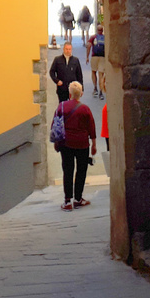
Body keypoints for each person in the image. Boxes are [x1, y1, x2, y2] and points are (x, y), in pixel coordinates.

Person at [54, 81, 96, 210]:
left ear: (70, 93)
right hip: (82, 144)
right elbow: (92, 128)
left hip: (66, 143)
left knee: (68, 170)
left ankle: (67, 201)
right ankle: (78, 199)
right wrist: (94, 145)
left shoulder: (61, 107)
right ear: (81, 94)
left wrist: (56, 142)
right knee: (81, 171)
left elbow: (55, 125)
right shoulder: (85, 109)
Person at [86, 24, 106, 98]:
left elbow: (88, 46)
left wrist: (87, 57)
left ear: (97, 30)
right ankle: (101, 92)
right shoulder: (105, 38)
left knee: (94, 72)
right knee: (101, 75)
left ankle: (95, 89)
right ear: (102, 30)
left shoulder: (93, 37)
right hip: (102, 57)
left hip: (94, 57)